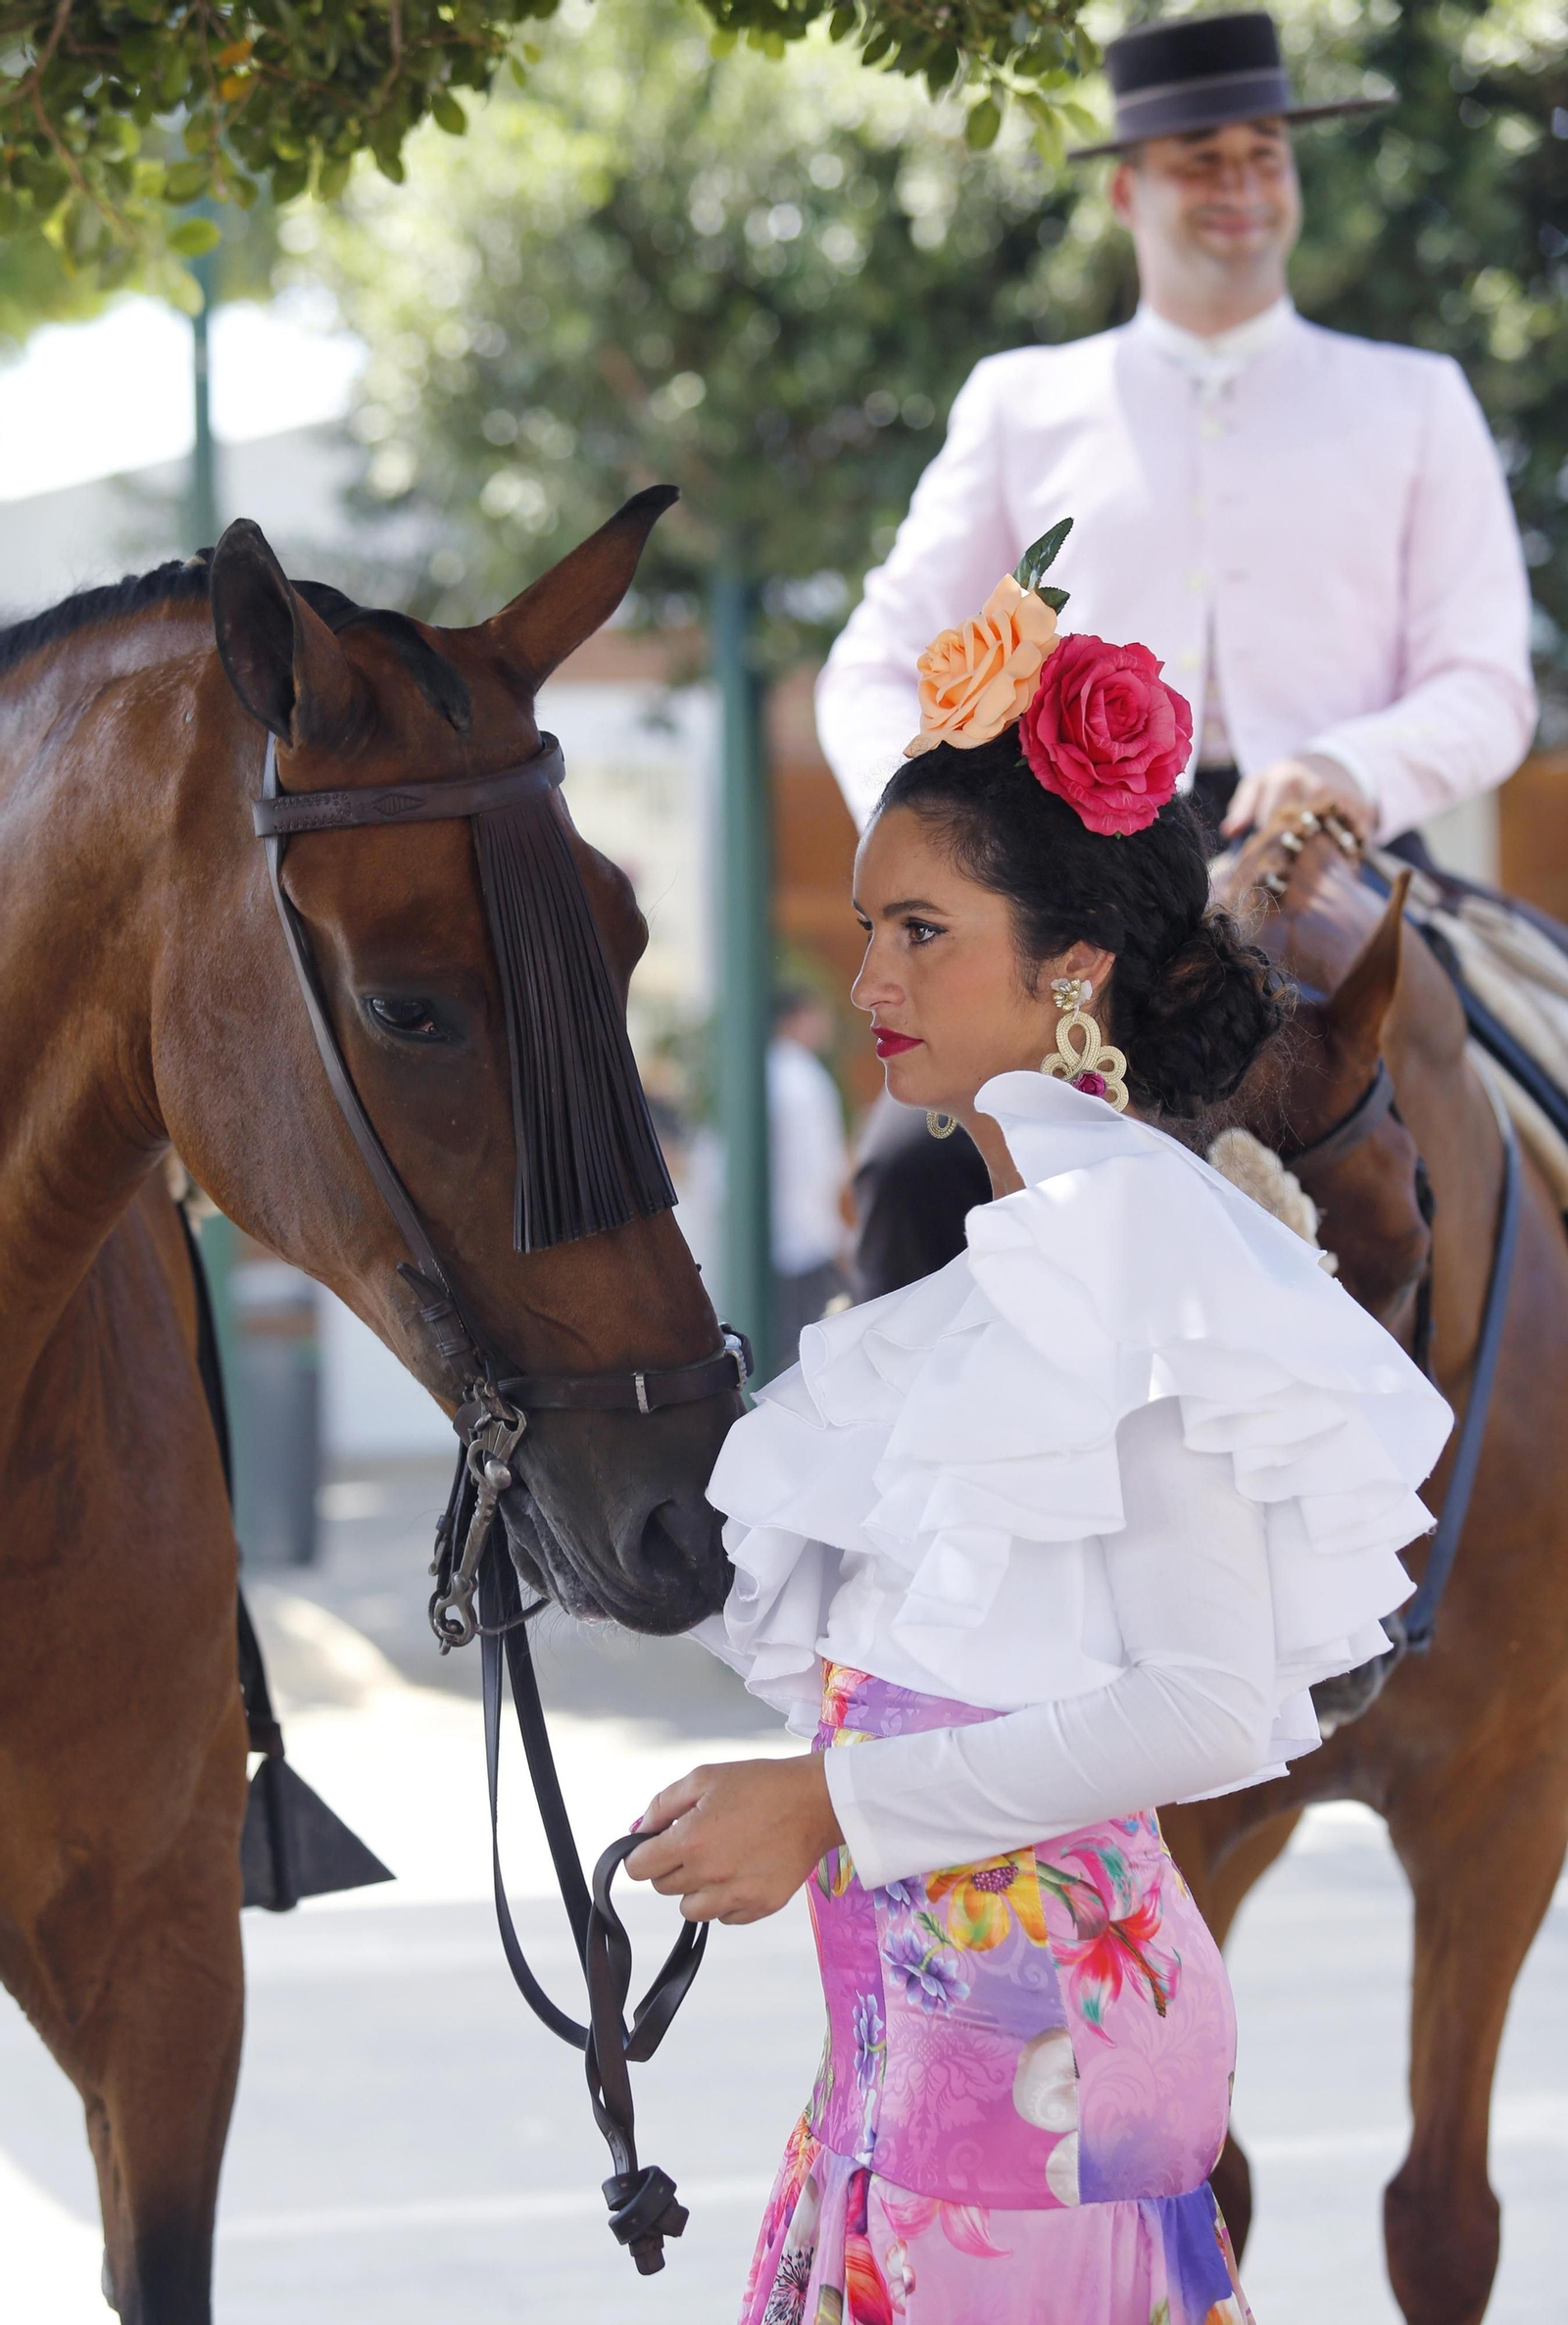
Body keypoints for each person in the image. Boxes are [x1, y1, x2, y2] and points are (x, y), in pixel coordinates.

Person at [628, 564, 1450, 2323]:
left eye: (921, 930)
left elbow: (1214, 1703)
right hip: (924, 2070)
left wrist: (830, 1805)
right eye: (864, 928)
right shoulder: (1001, 1274)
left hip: (1032, 2083)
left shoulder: (1135, 1253)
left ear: (1073, 966)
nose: (866, 976)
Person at [816, 7, 1539, 1300]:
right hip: (1080, 888)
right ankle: (902, 1496)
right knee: (911, 1171)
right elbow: (873, 663)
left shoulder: (1416, 398)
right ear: (1128, 190)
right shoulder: (1020, 402)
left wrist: (1349, 762)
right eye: (1203, 160)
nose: (1243, 188)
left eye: (1266, 156)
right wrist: (950, 844)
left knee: (1530, 1101)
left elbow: (1489, 683)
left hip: (1341, 867)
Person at [769, 988, 850, 1353]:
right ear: (797, 1018)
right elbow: (819, 1170)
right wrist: (835, 1239)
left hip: (774, 1241)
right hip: (805, 1243)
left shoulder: (765, 1070)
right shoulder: (803, 1080)